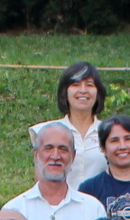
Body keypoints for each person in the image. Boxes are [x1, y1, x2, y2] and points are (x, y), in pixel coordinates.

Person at [31, 62, 108, 191]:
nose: (83, 90)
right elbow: (40, 182)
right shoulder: (45, 131)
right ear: (65, 91)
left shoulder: (110, 132)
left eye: (89, 85)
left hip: (101, 207)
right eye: (75, 84)